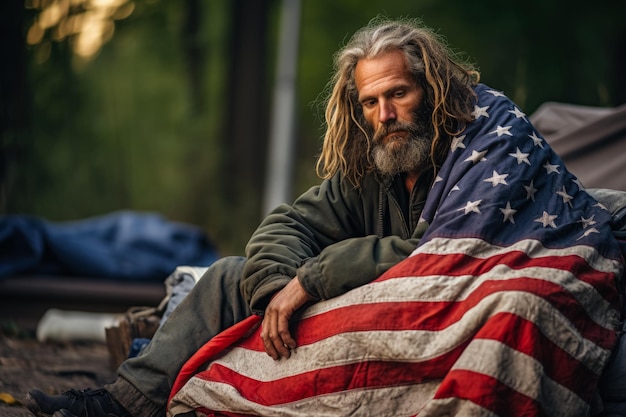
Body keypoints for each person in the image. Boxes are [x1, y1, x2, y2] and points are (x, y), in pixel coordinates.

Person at [23, 17, 621, 417]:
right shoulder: (375, 166)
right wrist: (279, 285)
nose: (385, 113)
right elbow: (285, 226)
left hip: (468, 290)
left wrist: (319, 276)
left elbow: (440, 252)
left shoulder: (482, 150)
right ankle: (121, 403)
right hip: (393, 297)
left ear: (433, 88)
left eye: (399, 93)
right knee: (228, 273)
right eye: (370, 102)